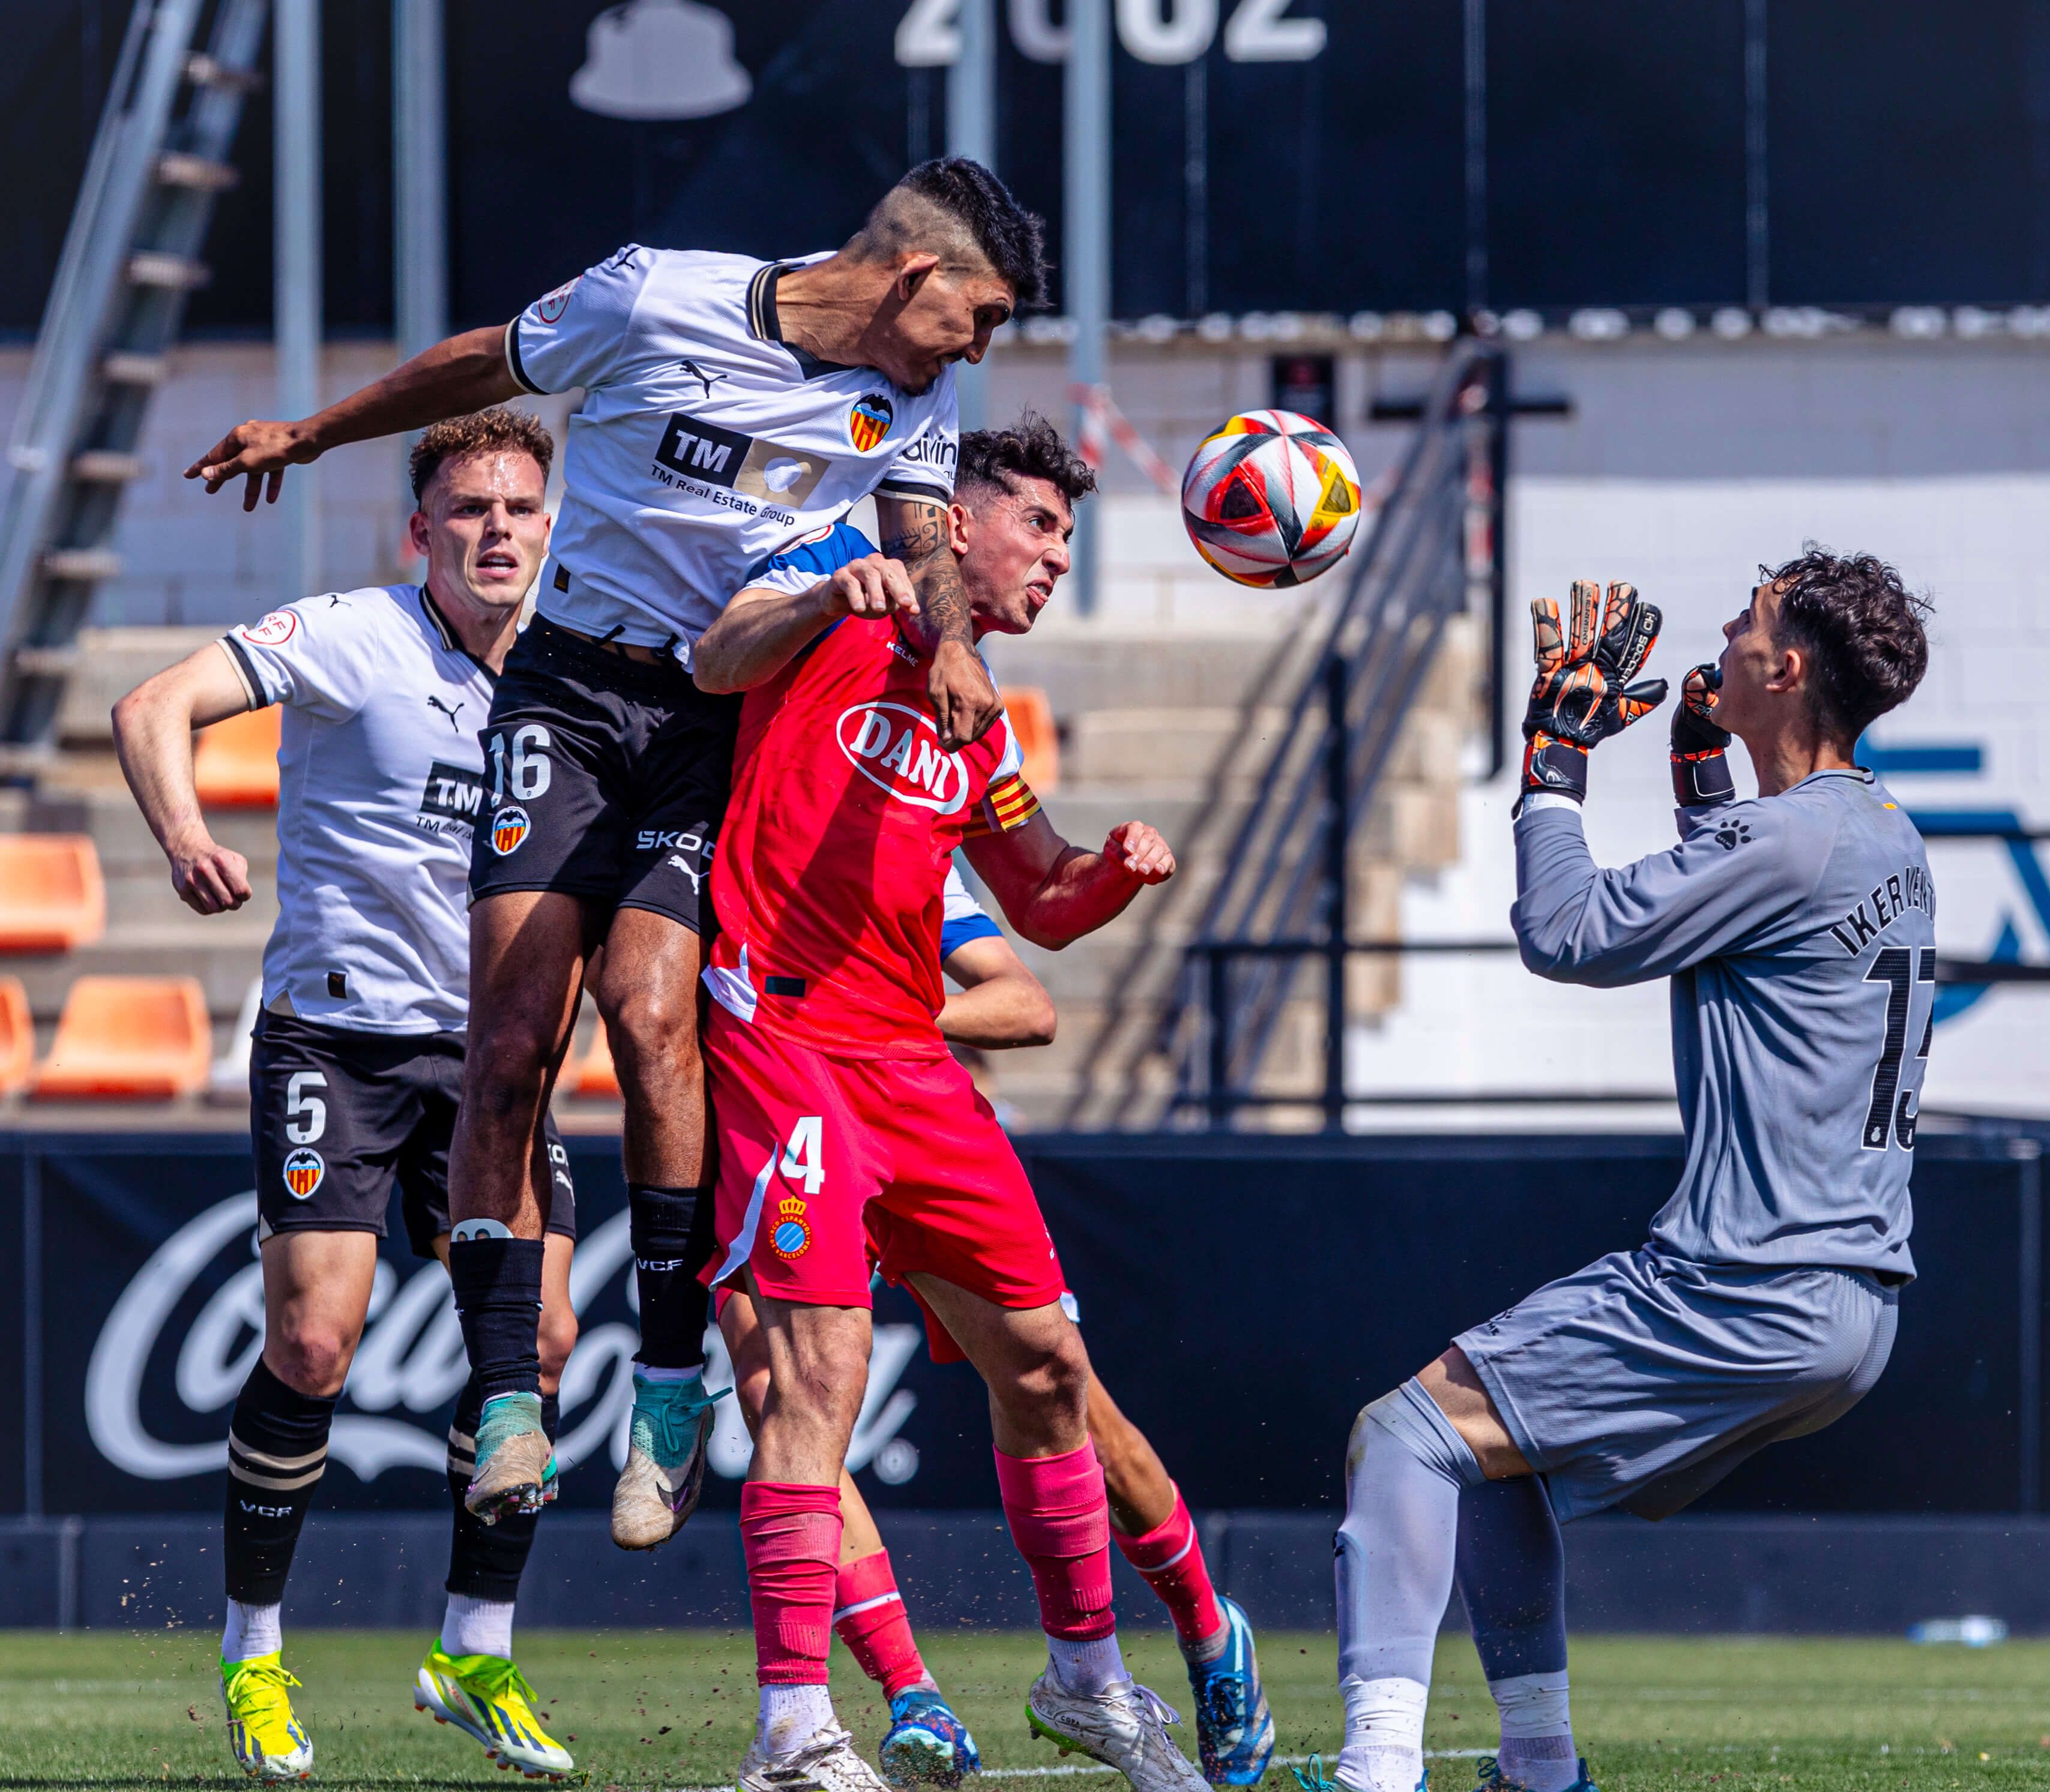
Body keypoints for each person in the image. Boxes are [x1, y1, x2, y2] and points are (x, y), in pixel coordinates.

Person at [183, 157, 1045, 1548]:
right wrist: (312, 431)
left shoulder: (921, 395)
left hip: (709, 718)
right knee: (512, 1036)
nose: (984, 349)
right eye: (983, 315)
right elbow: (480, 362)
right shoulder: (657, 297)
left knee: (654, 1020)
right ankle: (504, 1387)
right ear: (914, 278)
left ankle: (663, 1377)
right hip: (571, 694)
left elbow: (923, 534)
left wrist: (948, 636)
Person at [1307, 556, 1934, 1792]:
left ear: (1786, 669)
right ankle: (1538, 1766)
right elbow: (1745, 888)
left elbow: (1567, 932)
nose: (1720, 629)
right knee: (1497, 1448)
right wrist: (1702, 759)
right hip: (1850, 1303)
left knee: (1401, 1436)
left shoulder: (1793, 839)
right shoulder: (1875, 831)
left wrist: (1551, 759)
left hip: (1744, 1280)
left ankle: (1374, 1769)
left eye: (1746, 622)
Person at [709, 446, 1276, 1790]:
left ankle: (1085, 1675)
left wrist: (1115, 875)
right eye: (1039, 525)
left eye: (1067, 537)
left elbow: (1037, 901)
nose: (1057, 555)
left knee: (1045, 1368)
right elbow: (715, 659)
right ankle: (794, 1721)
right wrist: (817, 604)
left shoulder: (986, 722)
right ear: (950, 522)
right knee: (816, 1373)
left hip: (910, 1056)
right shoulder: (830, 585)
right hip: (781, 1031)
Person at [113, 411, 579, 1781]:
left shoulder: (574, 673)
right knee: (316, 1345)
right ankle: (255, 1652)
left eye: (519, 506)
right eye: (469, 508)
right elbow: (152, 706)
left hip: (496, 1058)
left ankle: (472, 1648)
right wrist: (188, 832)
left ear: (549, 526)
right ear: (417, 530)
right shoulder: (348, 632)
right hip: (336, 1042)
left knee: (543, 1347)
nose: (498, 528)